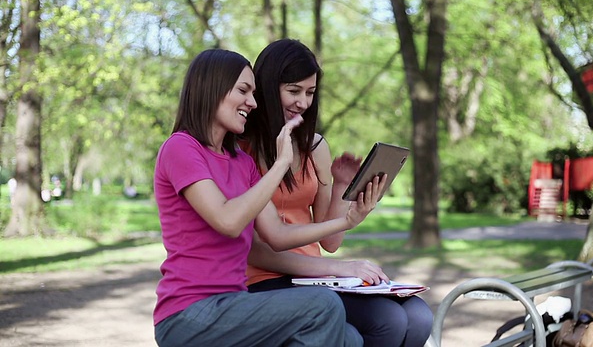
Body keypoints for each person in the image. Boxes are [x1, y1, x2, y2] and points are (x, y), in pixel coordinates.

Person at [152, 48, 387, 347]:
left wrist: (346, 220)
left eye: (253, 92)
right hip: (189, 313)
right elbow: (228, 220)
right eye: (243, 91)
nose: (252, 102)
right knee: (322, 305)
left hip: (234, 305)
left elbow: (276, 235)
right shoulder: (181, 148)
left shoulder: (241, 162)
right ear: (212, 90)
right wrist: (280, 165)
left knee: (350, 339)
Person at [241, 38, 433, 347]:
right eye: (293, 91)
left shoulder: (314, 146)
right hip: (266, 281)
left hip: (315, 276)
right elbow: (261, 248)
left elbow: (330, 242)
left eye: (310, 92)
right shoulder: (242, 151)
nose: (303, 102)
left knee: (419, 315)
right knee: (388, 320)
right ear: (265, 87)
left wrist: (342, 185)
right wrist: (341, 268)